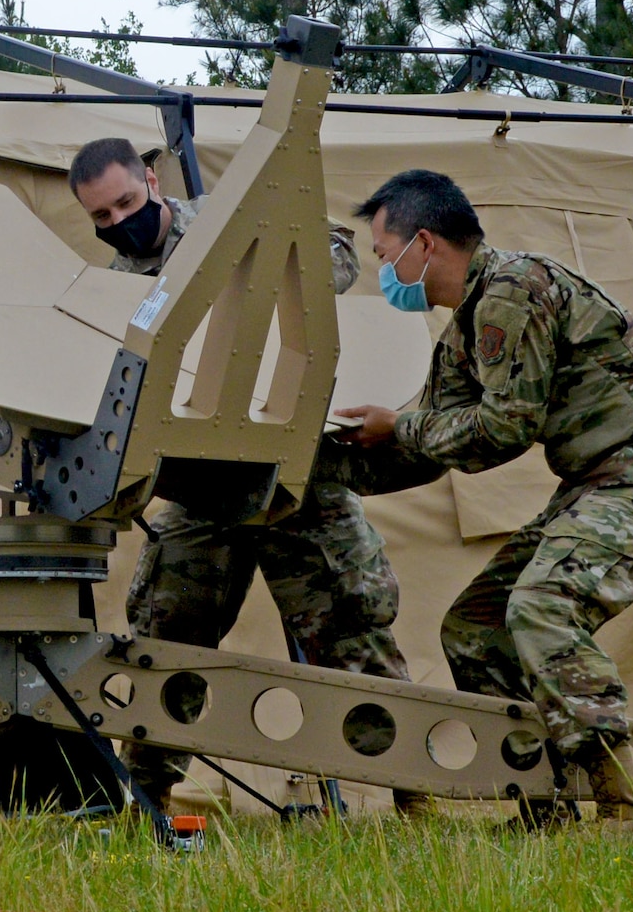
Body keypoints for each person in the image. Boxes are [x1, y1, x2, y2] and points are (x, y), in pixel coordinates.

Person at [333, 169, 633, 825]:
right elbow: (450, 443)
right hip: (599, 479)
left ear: (422, 243)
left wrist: (395, 423)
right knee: (476, 626)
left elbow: (505, 427)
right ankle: (543, 803)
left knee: (543, 604)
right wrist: (334, 467)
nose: (381, 270)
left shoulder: (514, 288)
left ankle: (622, 804)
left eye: (380, 253)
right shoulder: (466, 328)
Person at [67, 137, 419, 812]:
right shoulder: (115, 293)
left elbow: (339, 256)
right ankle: (149, 800)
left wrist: (263, 288)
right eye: (102, 218)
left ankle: (416, 791)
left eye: (127, 203)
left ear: (151, 177)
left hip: (292, 474)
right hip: (201, 484)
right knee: (167, 631)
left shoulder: (235, 221)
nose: (119, 224)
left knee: (354, 627)